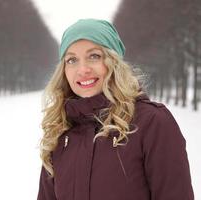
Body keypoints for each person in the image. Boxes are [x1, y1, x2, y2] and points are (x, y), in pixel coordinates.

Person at [37, 19, 194, 200]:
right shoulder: (60, 132)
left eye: (94, 56)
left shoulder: (152, 122)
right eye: (71, 60)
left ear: (114, 61)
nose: (82, 69)